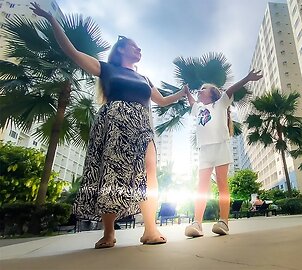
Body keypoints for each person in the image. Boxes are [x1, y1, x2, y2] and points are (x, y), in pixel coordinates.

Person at [30, 3, 186, 249]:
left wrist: (182, 92)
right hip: (114, 122)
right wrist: (52, 19)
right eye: (135, 46)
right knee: (111, 174)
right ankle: (109, 232)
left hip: (142, 124)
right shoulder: (106, 68)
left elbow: (162, 101)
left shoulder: (145, 77)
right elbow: (71, 51)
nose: (140, 49)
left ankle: (149, 229)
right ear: (122, 49)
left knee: (149, 171)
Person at [184, 70, 262, 237]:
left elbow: (231, 90)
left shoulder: (219, 104)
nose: (200, 90)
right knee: (201, 187)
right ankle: (197, 223)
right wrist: (187, 91)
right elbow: (191, 101)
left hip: (220, 147)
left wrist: (247, 78)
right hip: (204, 150)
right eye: (199, 89)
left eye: (204, 88)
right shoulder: (198, 108)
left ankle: (223, 222)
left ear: (213, 94)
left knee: (222, 184)